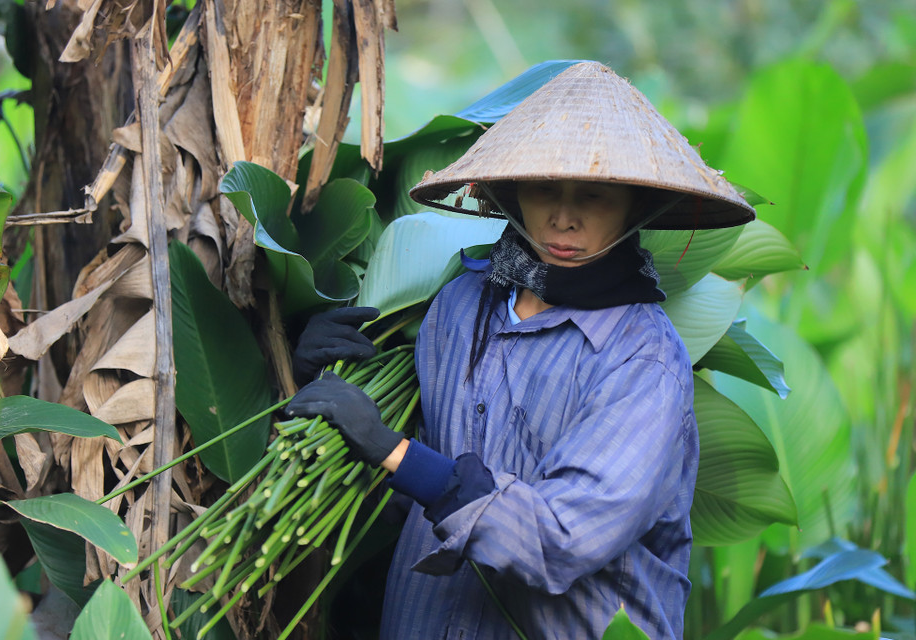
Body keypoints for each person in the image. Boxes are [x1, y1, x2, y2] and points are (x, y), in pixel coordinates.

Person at [286, 61, 755, 639]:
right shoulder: (457, 308)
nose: (565, 217)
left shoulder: (643, 361)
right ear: (509, 194)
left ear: (636, 207)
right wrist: (311, 374)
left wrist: (388, 446)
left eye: (595, 195)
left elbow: (559, 538)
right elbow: (409, 498)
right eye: (543, 189)